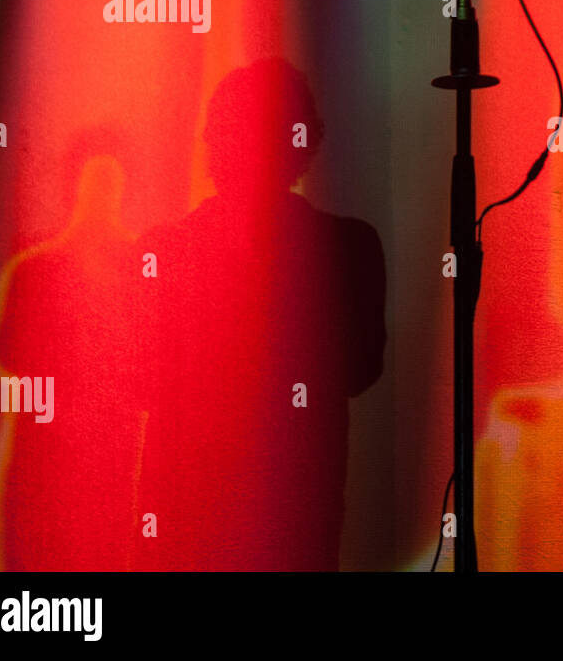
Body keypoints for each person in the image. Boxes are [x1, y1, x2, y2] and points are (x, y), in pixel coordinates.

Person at [136, 58, 385, 570]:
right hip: (286, 504)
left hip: (204, 508)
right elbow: (361, 370)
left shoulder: (167, 250)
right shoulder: (349, 245)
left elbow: (139, 382)